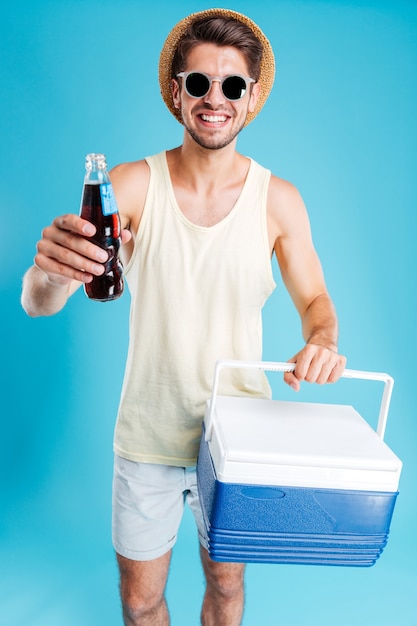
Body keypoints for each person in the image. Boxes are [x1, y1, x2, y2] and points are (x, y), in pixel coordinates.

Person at [21, 8, 347, 626]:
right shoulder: (130, 186)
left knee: (225, 591)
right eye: (198, 82)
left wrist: (324, 340)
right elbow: (39, 303)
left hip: (237, 438)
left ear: (250, 98)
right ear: (178, 93)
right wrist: (50, 273)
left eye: (231, 85)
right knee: (141, 602)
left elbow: (315, 303)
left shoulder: (279, 200)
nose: (214, 98)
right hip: (146, 435)